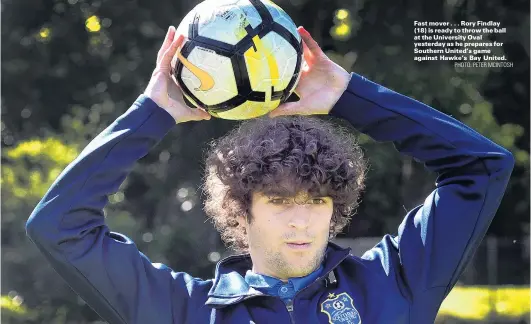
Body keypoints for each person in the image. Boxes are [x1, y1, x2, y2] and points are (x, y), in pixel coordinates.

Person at [26, 25, 514, 324]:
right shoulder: (183, 311)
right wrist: (154, 112)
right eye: (279, 202)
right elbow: (59, 226)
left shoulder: (398, 282)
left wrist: (350, 97)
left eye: (318, 201)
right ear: (243, 211)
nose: (302, 221)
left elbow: (482, 166)